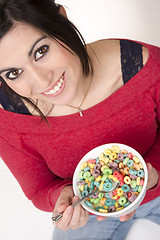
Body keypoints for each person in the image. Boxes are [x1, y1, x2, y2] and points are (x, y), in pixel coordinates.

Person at [0, 0, 159, 239]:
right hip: (89, 209)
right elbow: (38, 189)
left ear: (61, 19)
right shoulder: (8, 118)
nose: (42, 82)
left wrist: (155, 175)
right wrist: (62, 197)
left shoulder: (148, 67)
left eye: (41, 51)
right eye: (13, 73)